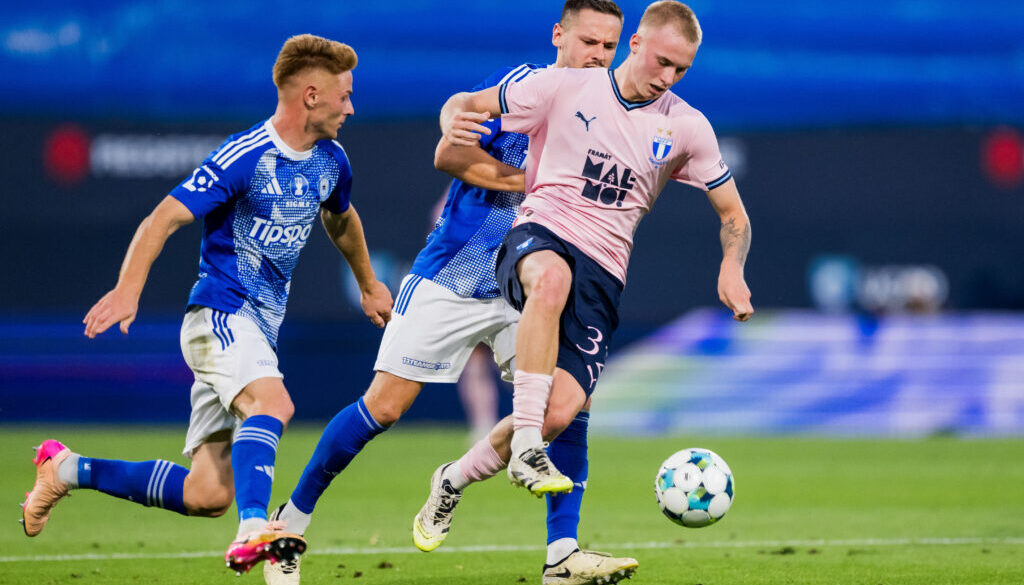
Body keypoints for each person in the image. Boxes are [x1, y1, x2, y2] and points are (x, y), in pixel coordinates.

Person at [262, 3, 637, 585]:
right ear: (559, 35)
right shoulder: (526, 92)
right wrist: (529, 177)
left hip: (526, 285)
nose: (597, 55)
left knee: (570, 406)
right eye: (588, 40)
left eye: (608, 46)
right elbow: (448, 151)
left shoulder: (614, 118)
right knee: (384, 407)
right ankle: (290, 521)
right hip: (453, 276)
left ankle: (557, 553)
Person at [20, 34, 392, 575]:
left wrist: (367, 283)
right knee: (273, 405)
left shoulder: (332, 159)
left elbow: (341, 218)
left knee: (206, 492)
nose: (351, 107)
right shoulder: (246, 155)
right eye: (345, 95)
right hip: (219, 316)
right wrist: (129, 289)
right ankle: (254, 531)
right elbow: (162, 218)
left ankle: (66, 469)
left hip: (258, 331)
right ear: (311, 95)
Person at [427, 0, 753, 575]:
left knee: (562, 413)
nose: (668, 77)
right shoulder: (563, 88)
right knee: (548, 280)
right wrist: (453, 113)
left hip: (604, 273)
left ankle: (454, 477)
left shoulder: (686, 126)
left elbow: (734, 214)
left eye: (682, 69)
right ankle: (527, 447)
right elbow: (469, 105)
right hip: (541, 232)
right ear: (635, 44)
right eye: (662, 62)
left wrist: (733, 268)